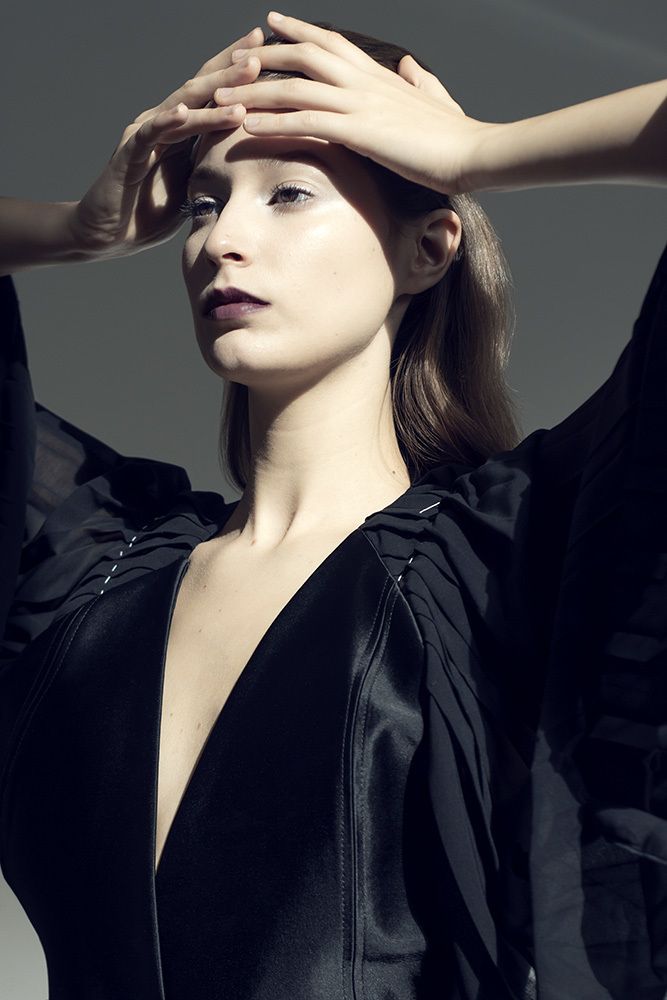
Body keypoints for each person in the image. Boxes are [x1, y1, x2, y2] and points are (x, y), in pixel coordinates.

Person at [0, 11, 665, 1000]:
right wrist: (77, 229)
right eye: (203, 203)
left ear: (428, 249)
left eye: (289, 193)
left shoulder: (501, 560)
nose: (222, 240)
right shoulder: (84, 565)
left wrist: (476, 152)